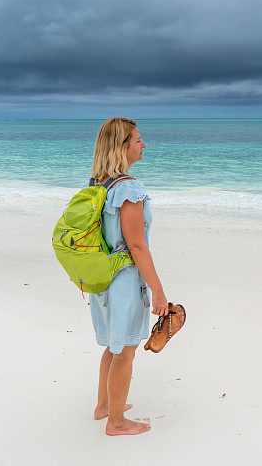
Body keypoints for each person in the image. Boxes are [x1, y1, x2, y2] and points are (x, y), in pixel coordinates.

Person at [87, 117, 169, 436]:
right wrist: (158, 292)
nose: (143, 144)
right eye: (137, 140)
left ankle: (104, 406)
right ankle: (116, 422)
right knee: (126, 350)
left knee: (114, 345)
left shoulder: (99, 183)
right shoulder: (129, 188)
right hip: (123, 282)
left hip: (102, 280)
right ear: (122, 147)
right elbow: (136, 246)